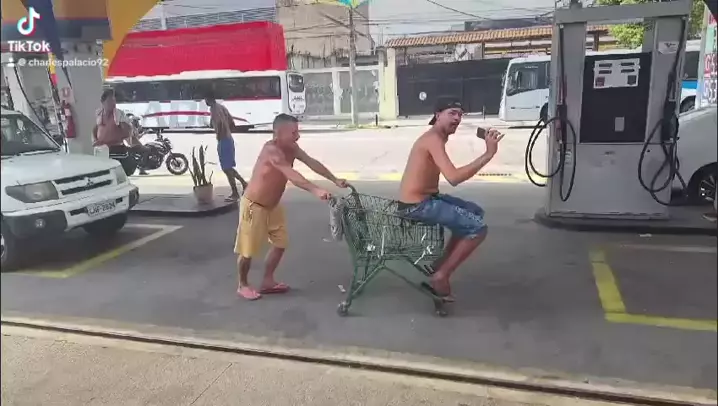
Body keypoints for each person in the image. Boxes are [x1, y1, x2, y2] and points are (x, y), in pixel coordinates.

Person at [397, 96, 504, 301]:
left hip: (427, 198)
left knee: (475, 212)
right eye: (452, 113)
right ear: (437, 115)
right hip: (417, 205)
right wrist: (488, 154)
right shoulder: (433, 139)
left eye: (460, 115)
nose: (457, 118)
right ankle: (441, 276)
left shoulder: (437, 136)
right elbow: (453, 177)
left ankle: (440, 264)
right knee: (478, 228)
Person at [234, 114, 349, 300]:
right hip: (254, 206)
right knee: (247, 251)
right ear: (278, 133)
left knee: (280, 243)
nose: (298, 136)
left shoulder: (292, 148)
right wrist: (314, 189)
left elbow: (312, 162)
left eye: (298, 132)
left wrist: (334, 179)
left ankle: (268, 281)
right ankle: (242, 285)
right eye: (293, 133)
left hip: (273, 205)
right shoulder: (271, 151)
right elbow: (291, 174)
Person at [204, 89, 248, 201]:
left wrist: (220, 136)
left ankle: (235, 192)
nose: (205, 101)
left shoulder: (214, 109)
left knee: (227, 168)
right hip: (228, 139)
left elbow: (220, 123)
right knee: (228, 168)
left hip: (223, 140)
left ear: (209, 99)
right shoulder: (221, 107)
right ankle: (244, 184)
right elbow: (231, 122)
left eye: (205, 99)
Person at [93, 89, 133, 158]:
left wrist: (122, 123)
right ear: (103, 102)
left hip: (116, 150)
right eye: (110, 101)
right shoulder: (99, 114)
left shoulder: (119, 115)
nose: (113, 103)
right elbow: (96, 128)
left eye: (114, 101)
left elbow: (128, 132)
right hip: (101, 150)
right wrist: (95, 140)